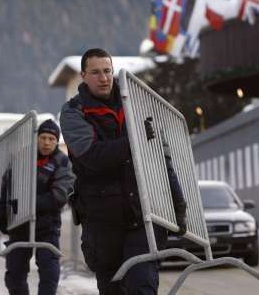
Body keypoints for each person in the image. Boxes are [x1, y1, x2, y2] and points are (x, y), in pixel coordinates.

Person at [60, 48, 187, 295]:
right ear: (83, 76)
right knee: (112, 289)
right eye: (96, 72)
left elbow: (161, 158)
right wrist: (135, 141)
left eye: (107, 71)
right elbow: (93, 157)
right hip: (102, 222)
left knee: (142, 285)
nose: (104, 78)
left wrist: (177, 201)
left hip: (143, 214)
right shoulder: (73, 112)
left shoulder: (136, 104)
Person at [0, 119, 75, 295]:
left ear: (56, 141)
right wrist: (2, 212)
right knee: (14, 275)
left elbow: (60, 195)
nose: (47, 142)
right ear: (37, 138)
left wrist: (29, 204)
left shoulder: (62, 162)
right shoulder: (21, 157)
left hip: (48, 226)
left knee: (49, 272)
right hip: (19, 224)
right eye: (43, 137)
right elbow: (6, 186)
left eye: (51, 139)